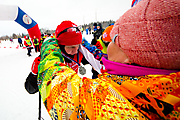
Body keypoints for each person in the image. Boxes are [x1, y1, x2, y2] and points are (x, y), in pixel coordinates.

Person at [36, 0, 180, 119]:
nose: (107, 47)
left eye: (114, 41)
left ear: (132, 57)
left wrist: (49, 46)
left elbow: (57, 85)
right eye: (70, 47)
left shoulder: (112, 101)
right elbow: (30, 86)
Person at [25, 20, 106, 94]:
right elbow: (30, 89)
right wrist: (34, 74)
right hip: (58, 96)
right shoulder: (51, 57)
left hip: (73, 91)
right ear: (61, 45)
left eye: (77, 46)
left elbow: (93, 60)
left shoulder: (78, 52)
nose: (75, 51)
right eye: (71, 47)